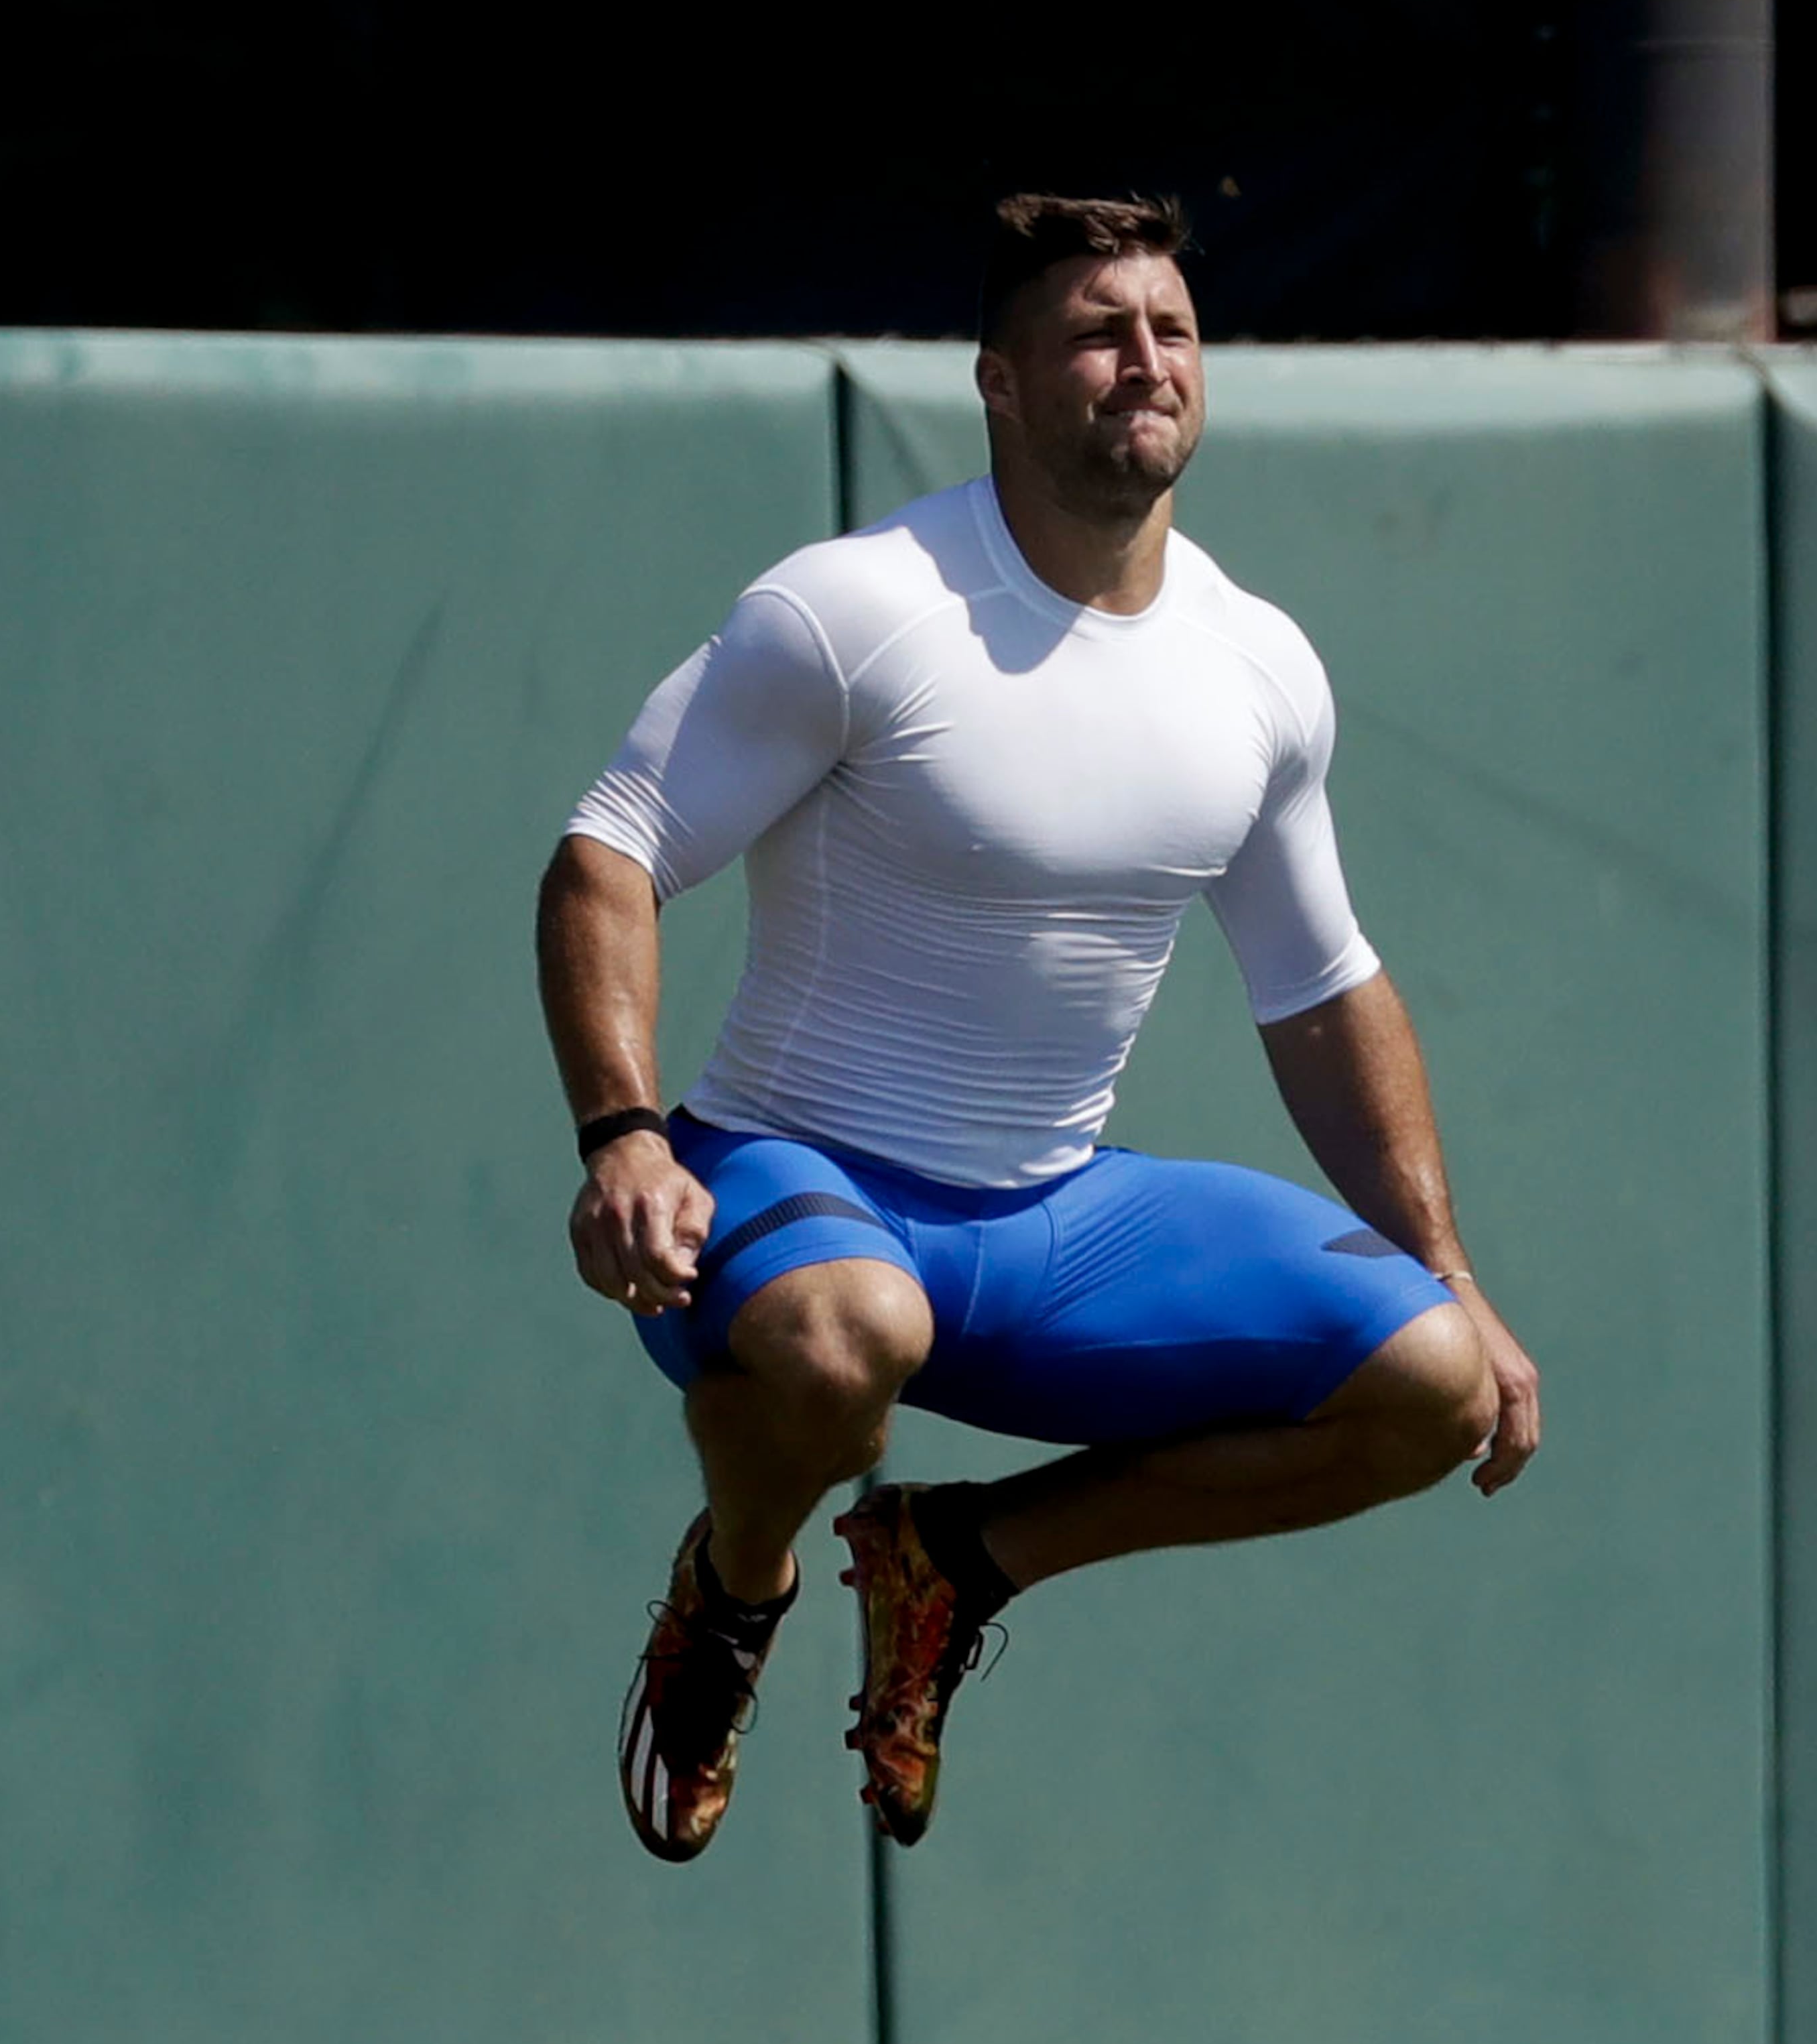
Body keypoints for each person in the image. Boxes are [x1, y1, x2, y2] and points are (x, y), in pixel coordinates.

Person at [538, 192, 1540, 1864]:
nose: (1144, 360)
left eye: (1171, 329)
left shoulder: (1258, 667)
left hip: (1049, 1223)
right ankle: (736, 1590)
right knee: (852, 1330)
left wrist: (1449, 1268)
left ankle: (958, 1561)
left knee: (1432, 1391)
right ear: (1001, 381)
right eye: (1098, 331)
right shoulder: (859, 607)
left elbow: (1323, 984)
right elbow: (608, 856)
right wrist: (624, 1134)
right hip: (792, 1186)